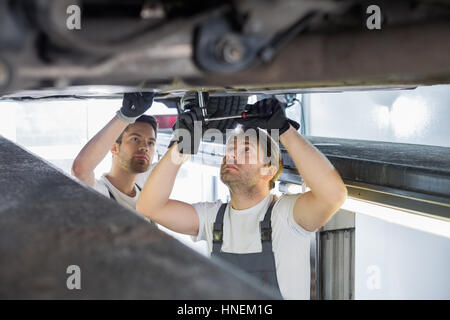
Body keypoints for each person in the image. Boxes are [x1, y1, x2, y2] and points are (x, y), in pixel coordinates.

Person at [136, 97, 347, 299]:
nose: (232, 155)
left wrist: (284, 130)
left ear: (269, 170)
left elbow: (333, 195)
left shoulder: (286, 216)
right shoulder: (212, 218)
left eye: (245, 150)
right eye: (230, 149)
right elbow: (150, 207)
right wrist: (179, 148)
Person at [72, 92, 158, 213]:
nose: (145, 147)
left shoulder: (144, 185)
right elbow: (80, 170)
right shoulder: (100, 193)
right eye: (135, 139)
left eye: (150, 142)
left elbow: (176, 158)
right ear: (114, 148)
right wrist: (125, 117)